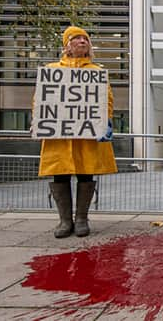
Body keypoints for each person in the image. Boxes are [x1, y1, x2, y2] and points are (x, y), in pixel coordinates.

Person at [38, 26, 118, 238]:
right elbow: (41, 100)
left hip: (86, 135)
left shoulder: (96, 72)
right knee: (60, 174)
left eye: (85, 39)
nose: (83, 41)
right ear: (67, 45)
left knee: (86, 172)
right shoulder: (52, 70)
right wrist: (39, 120)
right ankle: (65, 221)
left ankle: (81, 218)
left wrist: (105, 122)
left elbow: (106, 100)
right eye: (77, 38)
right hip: (60, 137)